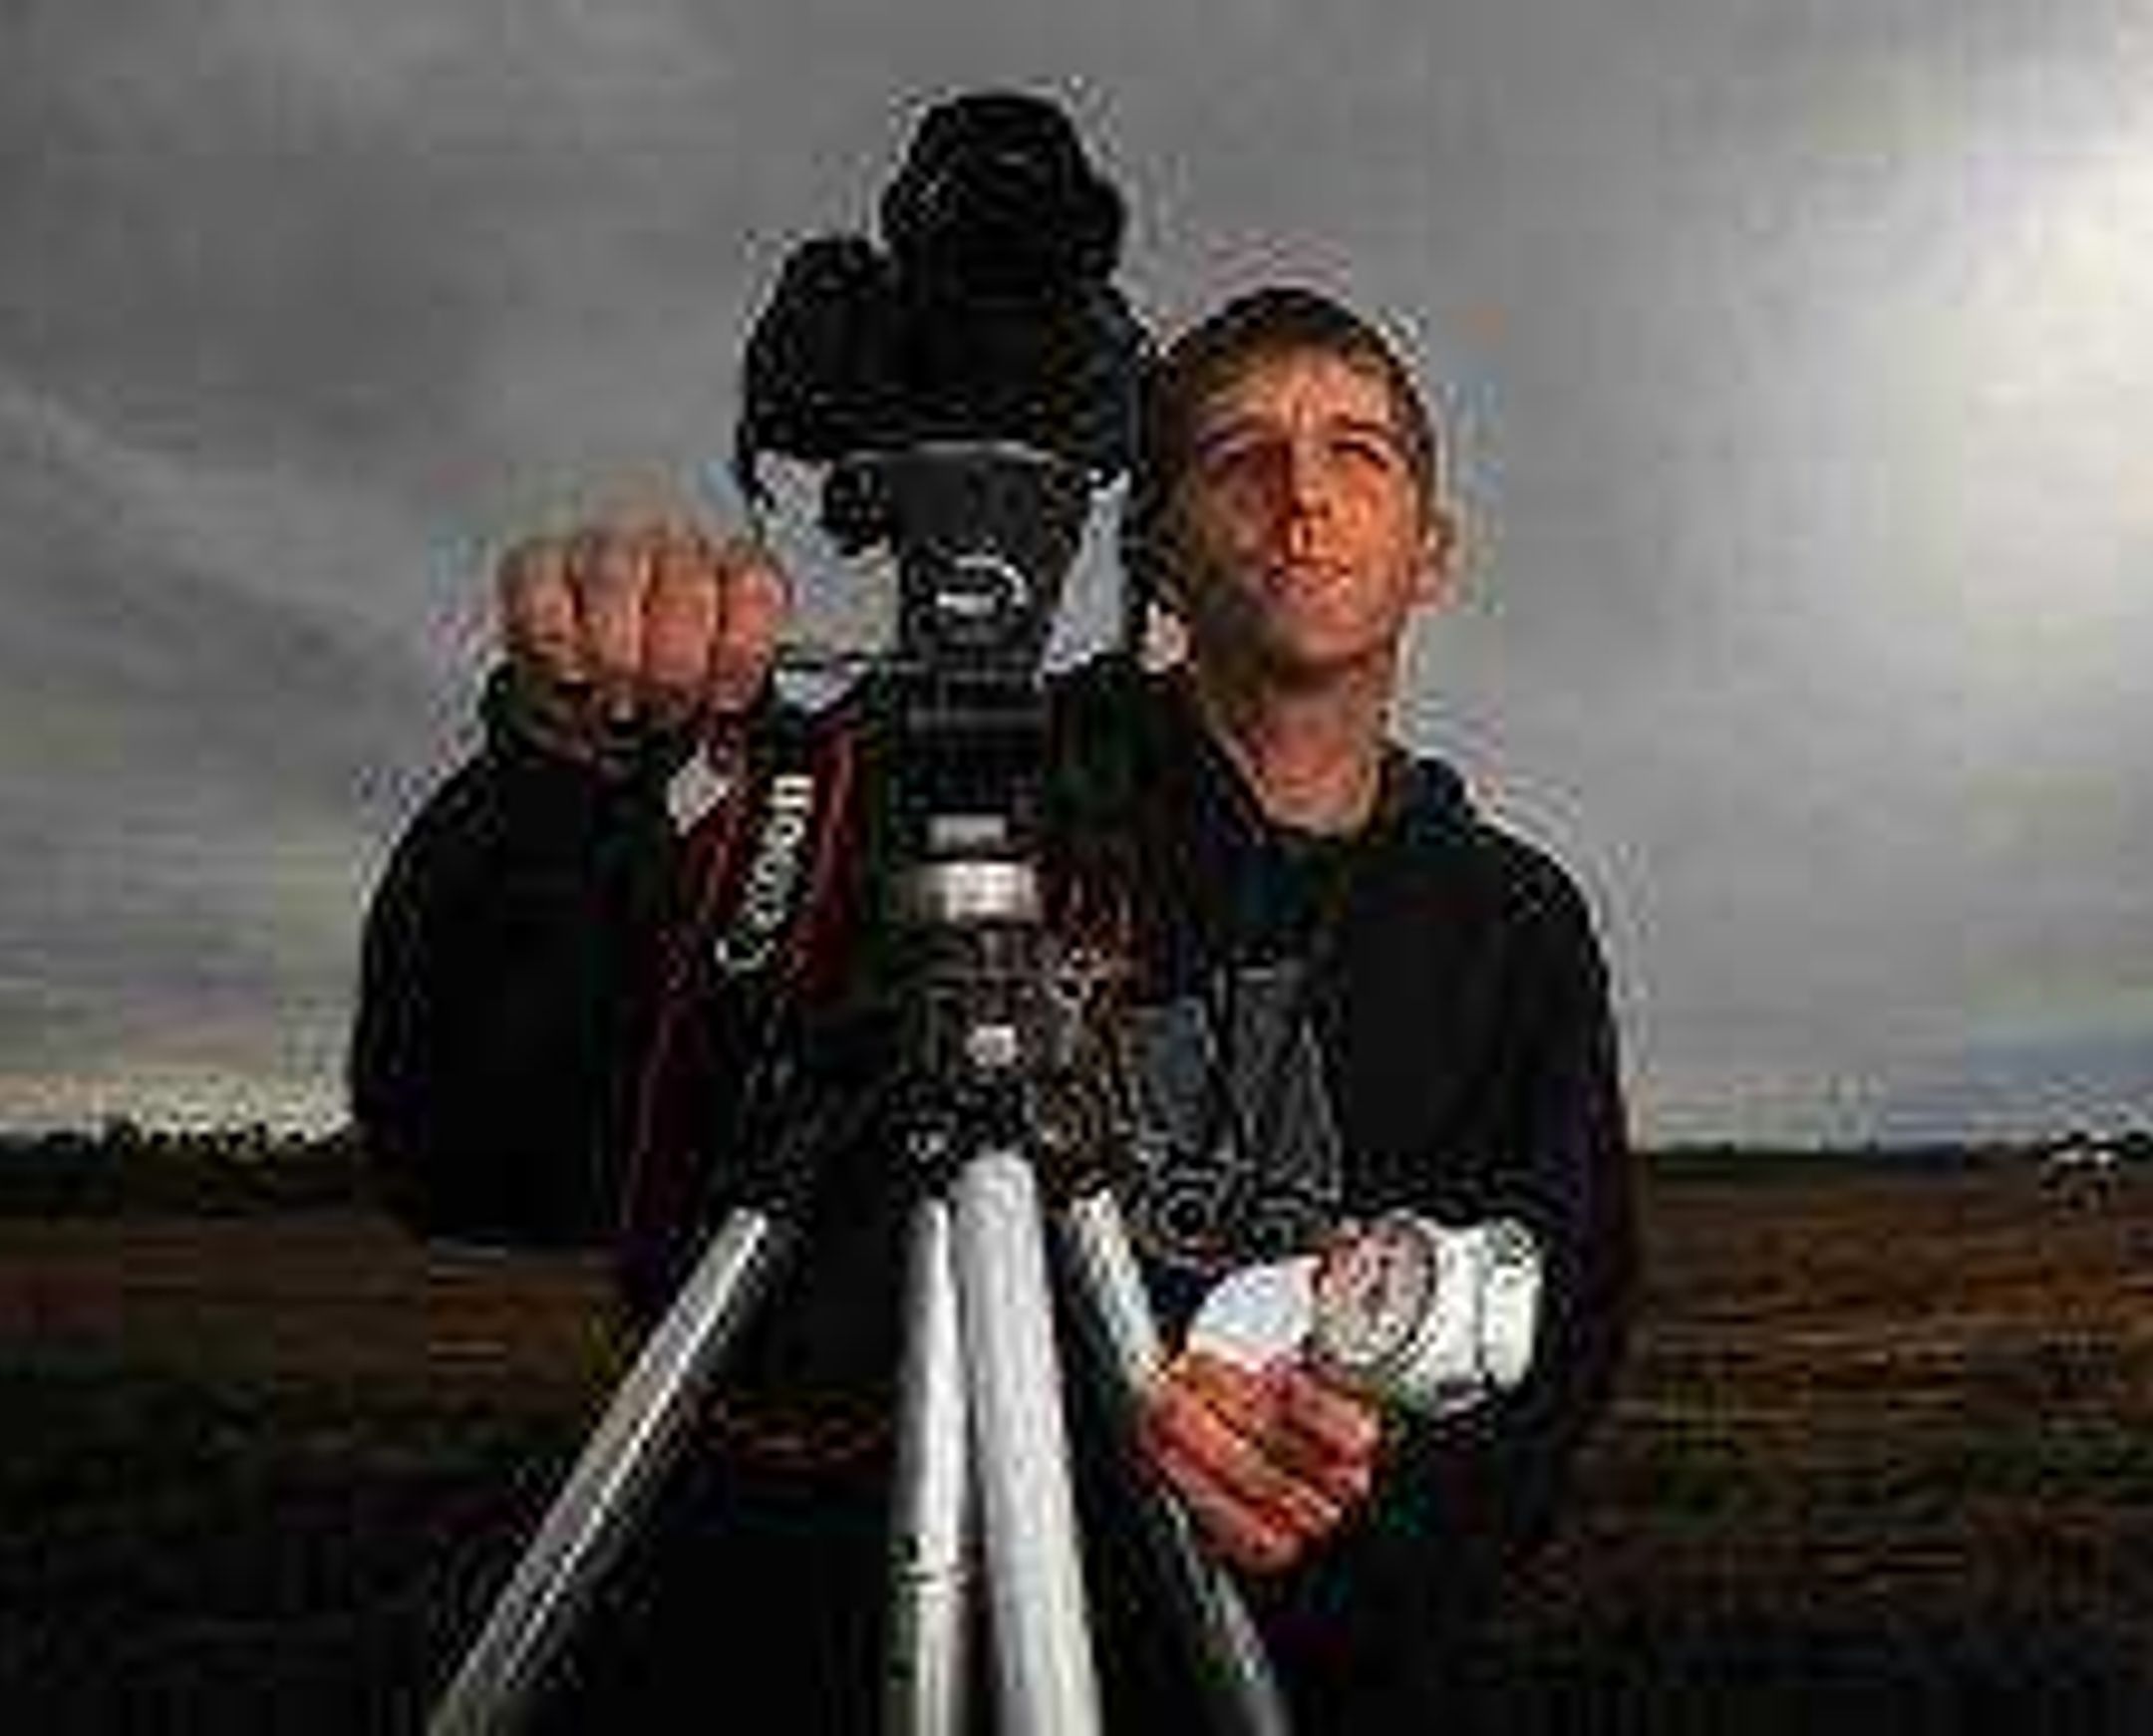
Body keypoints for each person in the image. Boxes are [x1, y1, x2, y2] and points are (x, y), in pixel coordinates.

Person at [354, 284, 1637, 1724]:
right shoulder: (923, 785)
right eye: (1238, 456)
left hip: (1238, 1670)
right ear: (1151, 548)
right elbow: (473, 1140)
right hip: (802, 1653)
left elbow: (1555, 1324)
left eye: (1359, 453)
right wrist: (561, 763)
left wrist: (1356, 1478)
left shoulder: (1511, 922)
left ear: (1431, 552)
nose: (1302, 496)